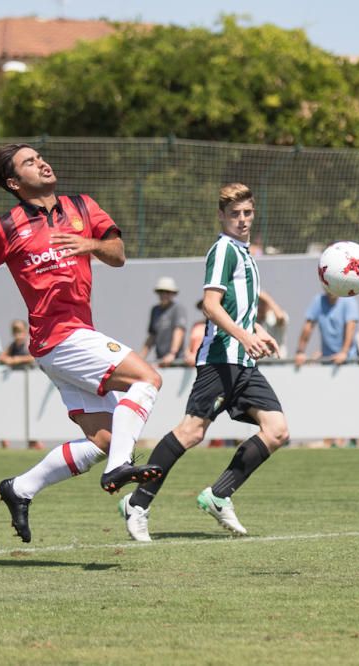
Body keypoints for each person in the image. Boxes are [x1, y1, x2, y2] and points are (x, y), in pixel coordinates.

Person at [0, 143, 163, 542]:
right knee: (147, 380)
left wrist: (90, 245)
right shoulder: (4, 227)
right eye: (29, 162)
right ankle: (119, 467)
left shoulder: (83, 206)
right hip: (60, 337)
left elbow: (117, 254)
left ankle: (19, 489)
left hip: (67, 339)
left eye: (40, 157)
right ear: (14, 182)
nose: (42, 163)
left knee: (104, 440)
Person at [118, 183, 289, 542]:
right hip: (219, 361)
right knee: (191, 432)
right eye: (235, 214)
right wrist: (246, 336)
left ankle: (219, 494)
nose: (242, 220)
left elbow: (235, 309)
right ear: (222, 216)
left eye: (247, 213)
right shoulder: (224, 250)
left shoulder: (245, 254)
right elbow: (210, 305)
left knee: (276, 430)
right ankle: (137, 502)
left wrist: (257, 329)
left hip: (243, 363)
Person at [0, 319, 44, 450]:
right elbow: (2, 357)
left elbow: (33, 357)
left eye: (19, 330)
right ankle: (6, 439)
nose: (17, 333)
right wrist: (9, 360)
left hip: (31, 386)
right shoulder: (13, 345)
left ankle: (34, 440)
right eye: (14, 330)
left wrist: (16, 360)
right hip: (16, 388)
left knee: (31, 412)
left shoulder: (30, 343)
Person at [293, 288, 359, 367]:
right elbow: (308, 327)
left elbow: (351, 328)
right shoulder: (318, 301)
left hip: (348, 361)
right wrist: (300, 352)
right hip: (327, 362)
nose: (331, 289)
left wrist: (344, 353)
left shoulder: (349, 301)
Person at [140, 277, 187, 367]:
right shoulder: (155, 310)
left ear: (173, 294)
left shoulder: (178, 308)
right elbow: (152, 336)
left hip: (176, 361)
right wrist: (141, 357)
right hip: (161, 360)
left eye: (168, 292)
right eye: (161, 291)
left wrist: (172, 353)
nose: (164, 294)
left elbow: (179, 331)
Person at [257, 289, 289, 359]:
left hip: (277, 360)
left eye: (262, 303)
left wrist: (267, 298)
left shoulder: (273, 317)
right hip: (261, 362)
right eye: (258, 302)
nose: (259, 306)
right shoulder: (254, 319)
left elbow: (280, 318)